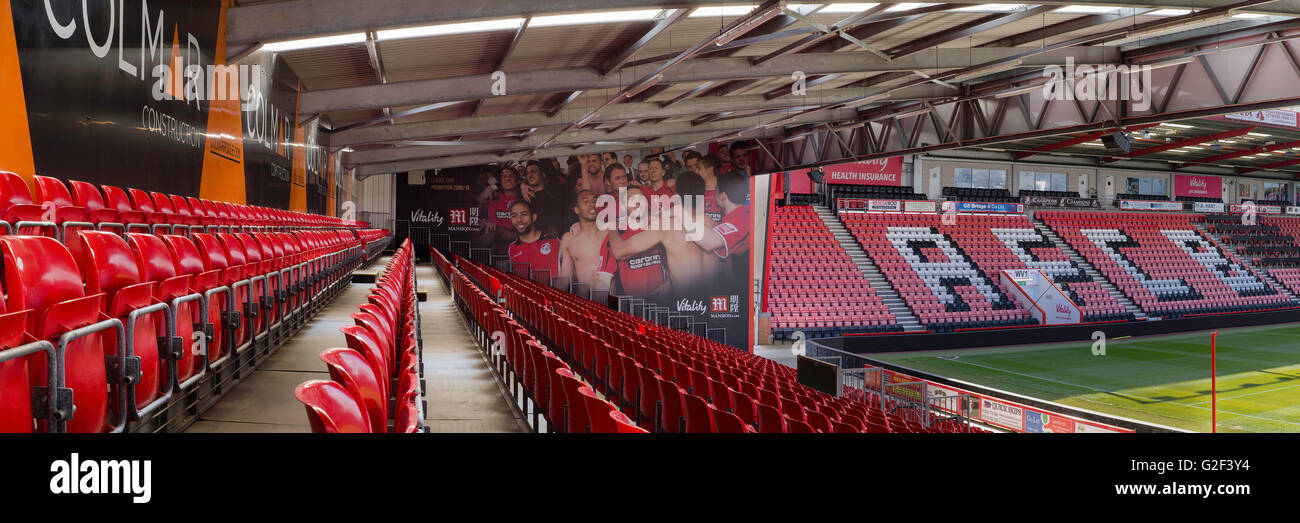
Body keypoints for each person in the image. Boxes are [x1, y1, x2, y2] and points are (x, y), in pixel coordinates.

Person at [607, 172, 721, 295]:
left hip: (686, 303)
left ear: (676, 195)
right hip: (713, 297)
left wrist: (611, 225)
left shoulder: (666, 225)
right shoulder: (714, 224)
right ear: (704, 195)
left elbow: (619, 252)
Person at [597, 185, 668, 297]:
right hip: (630, 308)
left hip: (662, 304)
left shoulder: (660, 229)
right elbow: (603, 281)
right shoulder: (616, 235)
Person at [691, 169, 752, 266]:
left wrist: (680, 213)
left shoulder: (741, 218)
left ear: (723, 196)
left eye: (716, 190)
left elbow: (709, 243)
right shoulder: (738, 216)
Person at [559, 190, 612, 293]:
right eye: (585, 201)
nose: (592, 204)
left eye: (594, 200)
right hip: (585, 301)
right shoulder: (569, 239)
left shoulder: (610, 232)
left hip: (610, 302)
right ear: (576, 210)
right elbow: (565, 278)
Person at [506, 200, 561, 281]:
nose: (519, 220)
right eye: (514, 216)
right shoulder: (512, 248)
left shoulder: (554, 240)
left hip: (551, 292)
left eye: (524, 214)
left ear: (534, 217)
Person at [476, 165, 522, 253]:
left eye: (511, 176)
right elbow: (474, 218)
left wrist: (507, 233)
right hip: (494, 254)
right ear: (500, 181)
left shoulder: (524, 201)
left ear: (517, 181)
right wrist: (485, 220)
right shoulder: (492, 201)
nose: (507, 179)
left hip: (519, 252)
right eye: (504, 176)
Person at [521, 160, 562, 237]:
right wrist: (521, 185)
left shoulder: (553, 195)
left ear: (543, 175)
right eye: (528, 173)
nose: (530, 175)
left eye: (533, 171)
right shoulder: (524, 196)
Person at [697, 154, 724, 221]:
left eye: (699, 168)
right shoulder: (695, 191)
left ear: (710, 170)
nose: (696, 172)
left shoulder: (726, 190)